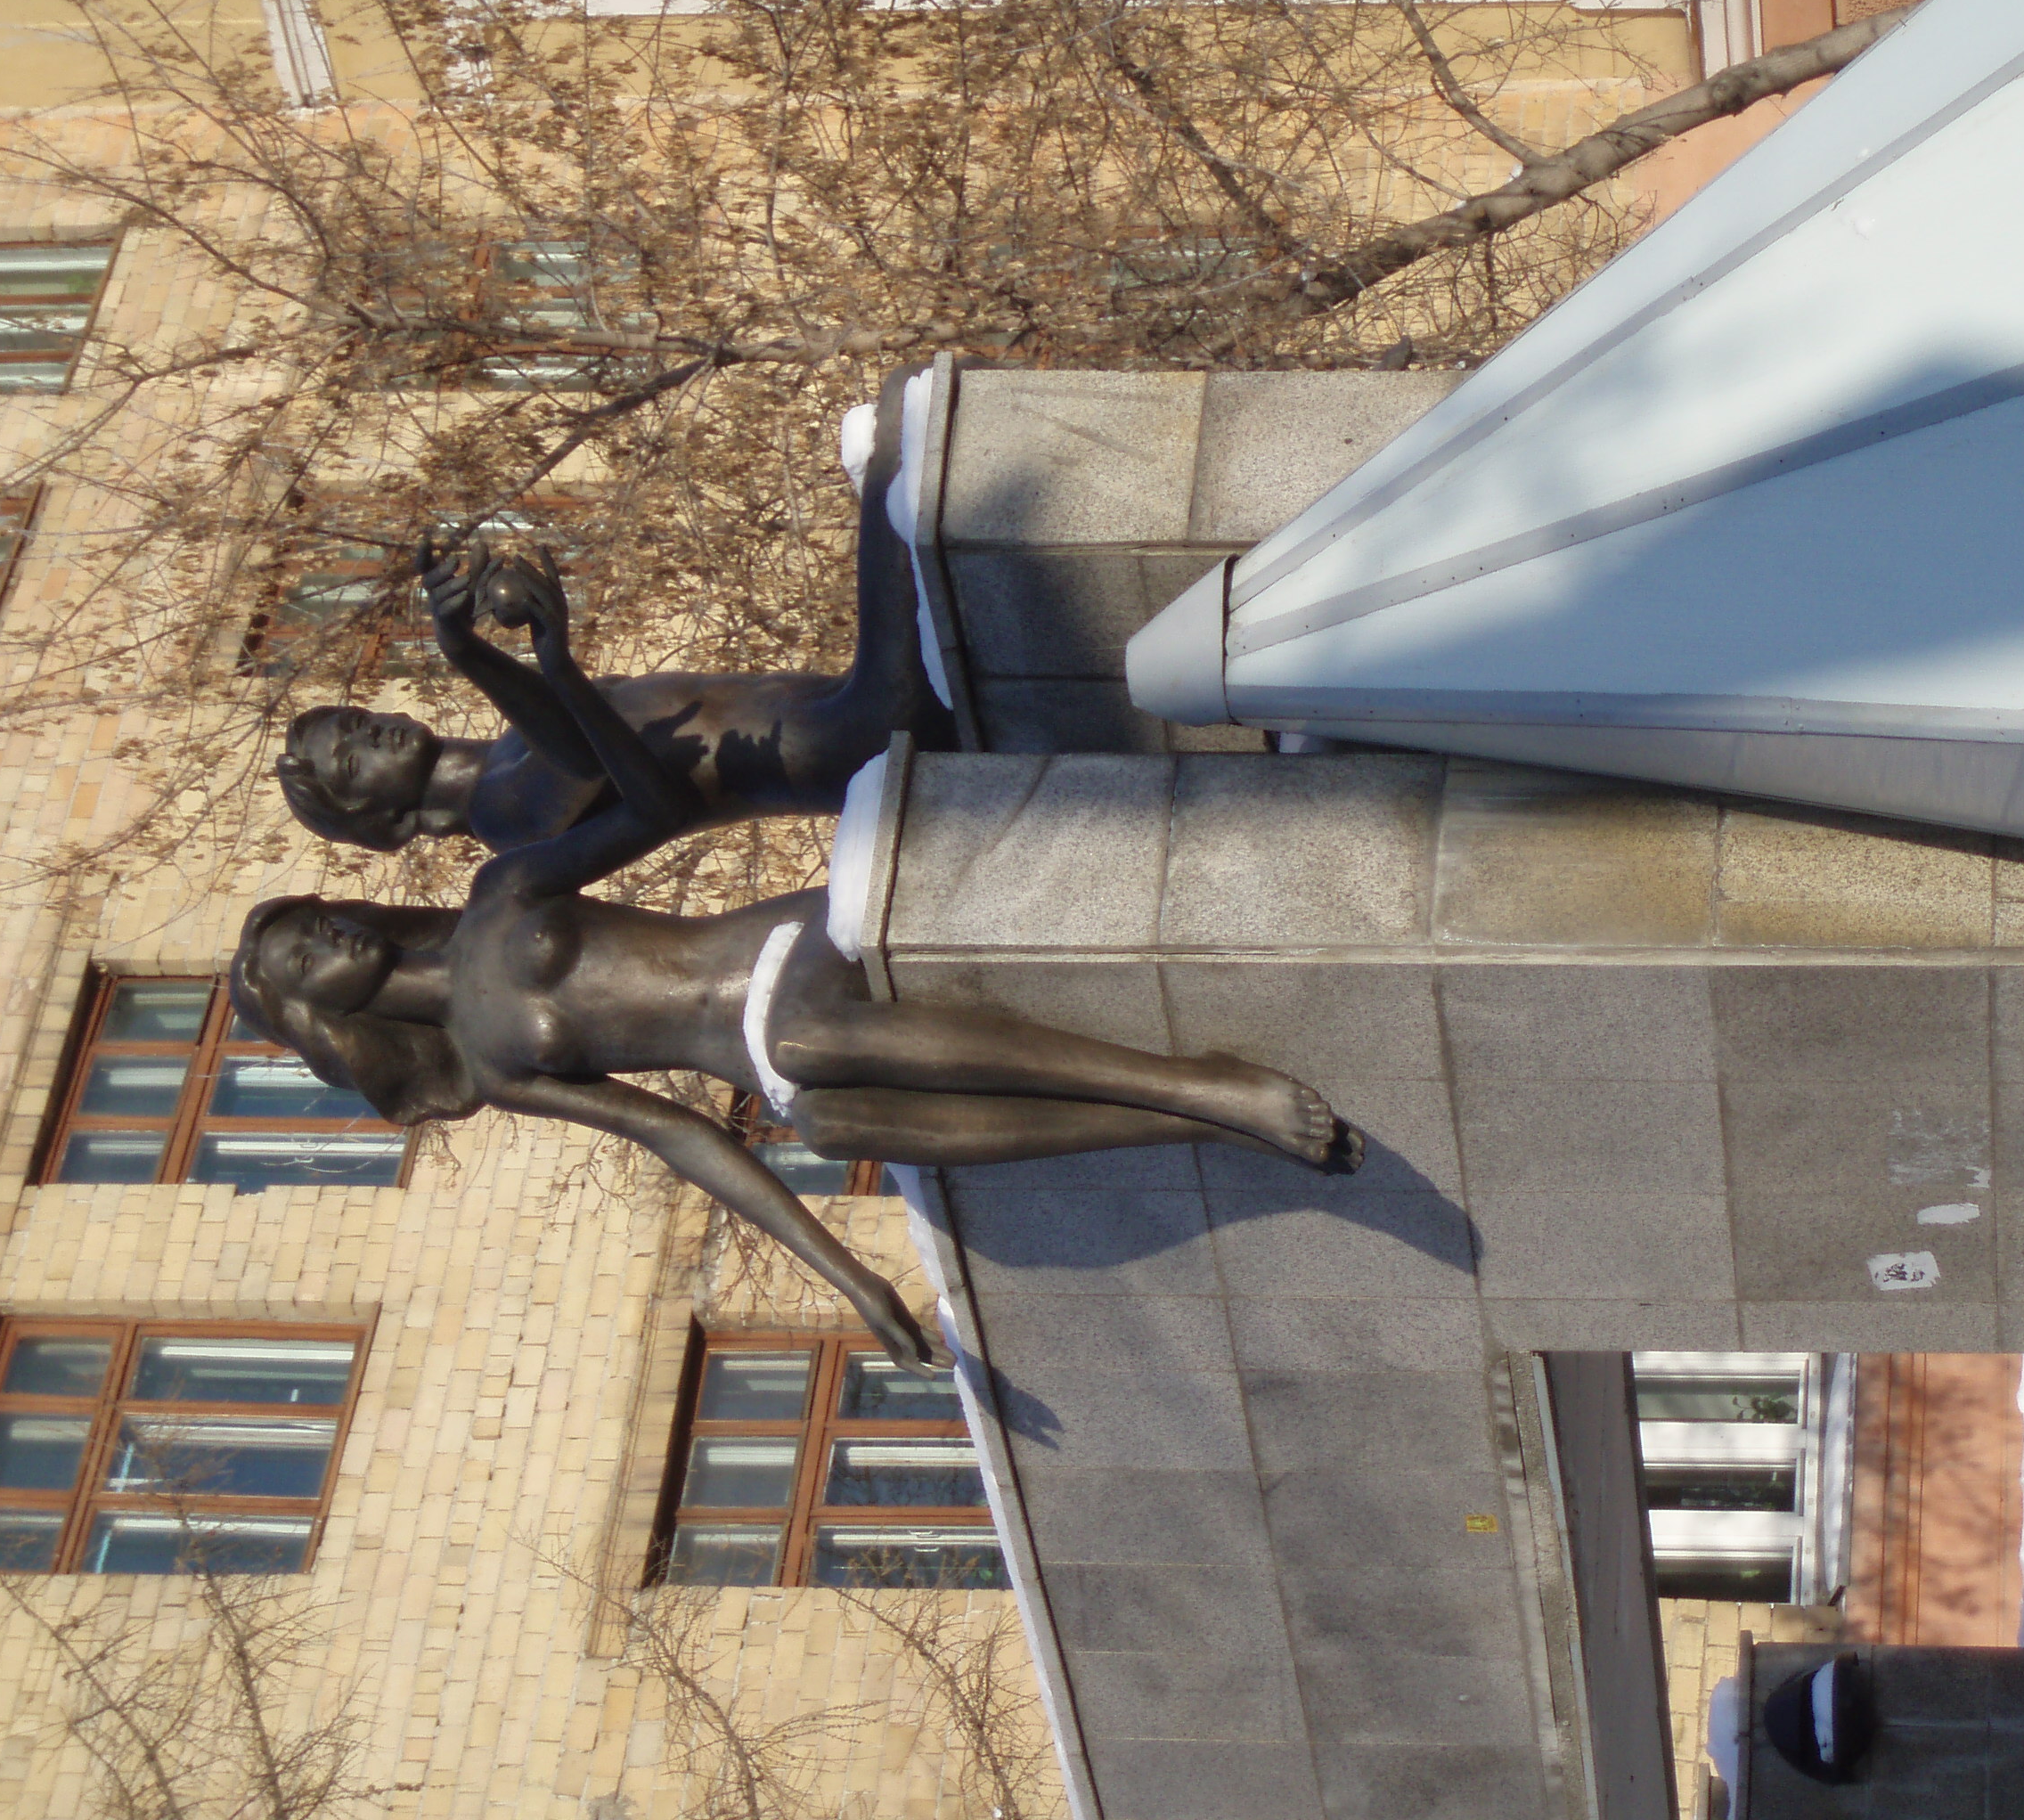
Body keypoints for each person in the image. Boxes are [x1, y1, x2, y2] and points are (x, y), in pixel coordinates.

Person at [232, 549, 1357, 1367]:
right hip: (766, 1058)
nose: (330, 935)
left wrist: (554, 660)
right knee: (830, 1124)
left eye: (314, 919)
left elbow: (649, 805)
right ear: (325, 1019)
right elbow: (678, 1135)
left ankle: (1199, 1085)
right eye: (305, 958)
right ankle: (1201, 1126)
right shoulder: (493, 1061)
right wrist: (850, 1278)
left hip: (780, 950)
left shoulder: (498, 895)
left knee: (811, 1044)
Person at [275, 368, 952, 854]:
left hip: (842, 704)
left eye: (356, 722)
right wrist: (475, 655)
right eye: (352, 760)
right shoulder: (500, 819)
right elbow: (580, 762)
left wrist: (489, 649)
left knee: (910, 426)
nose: (371, 734)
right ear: (386, 820)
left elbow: (560, 729)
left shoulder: (515, 738)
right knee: (903, 424)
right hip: (861, 741)